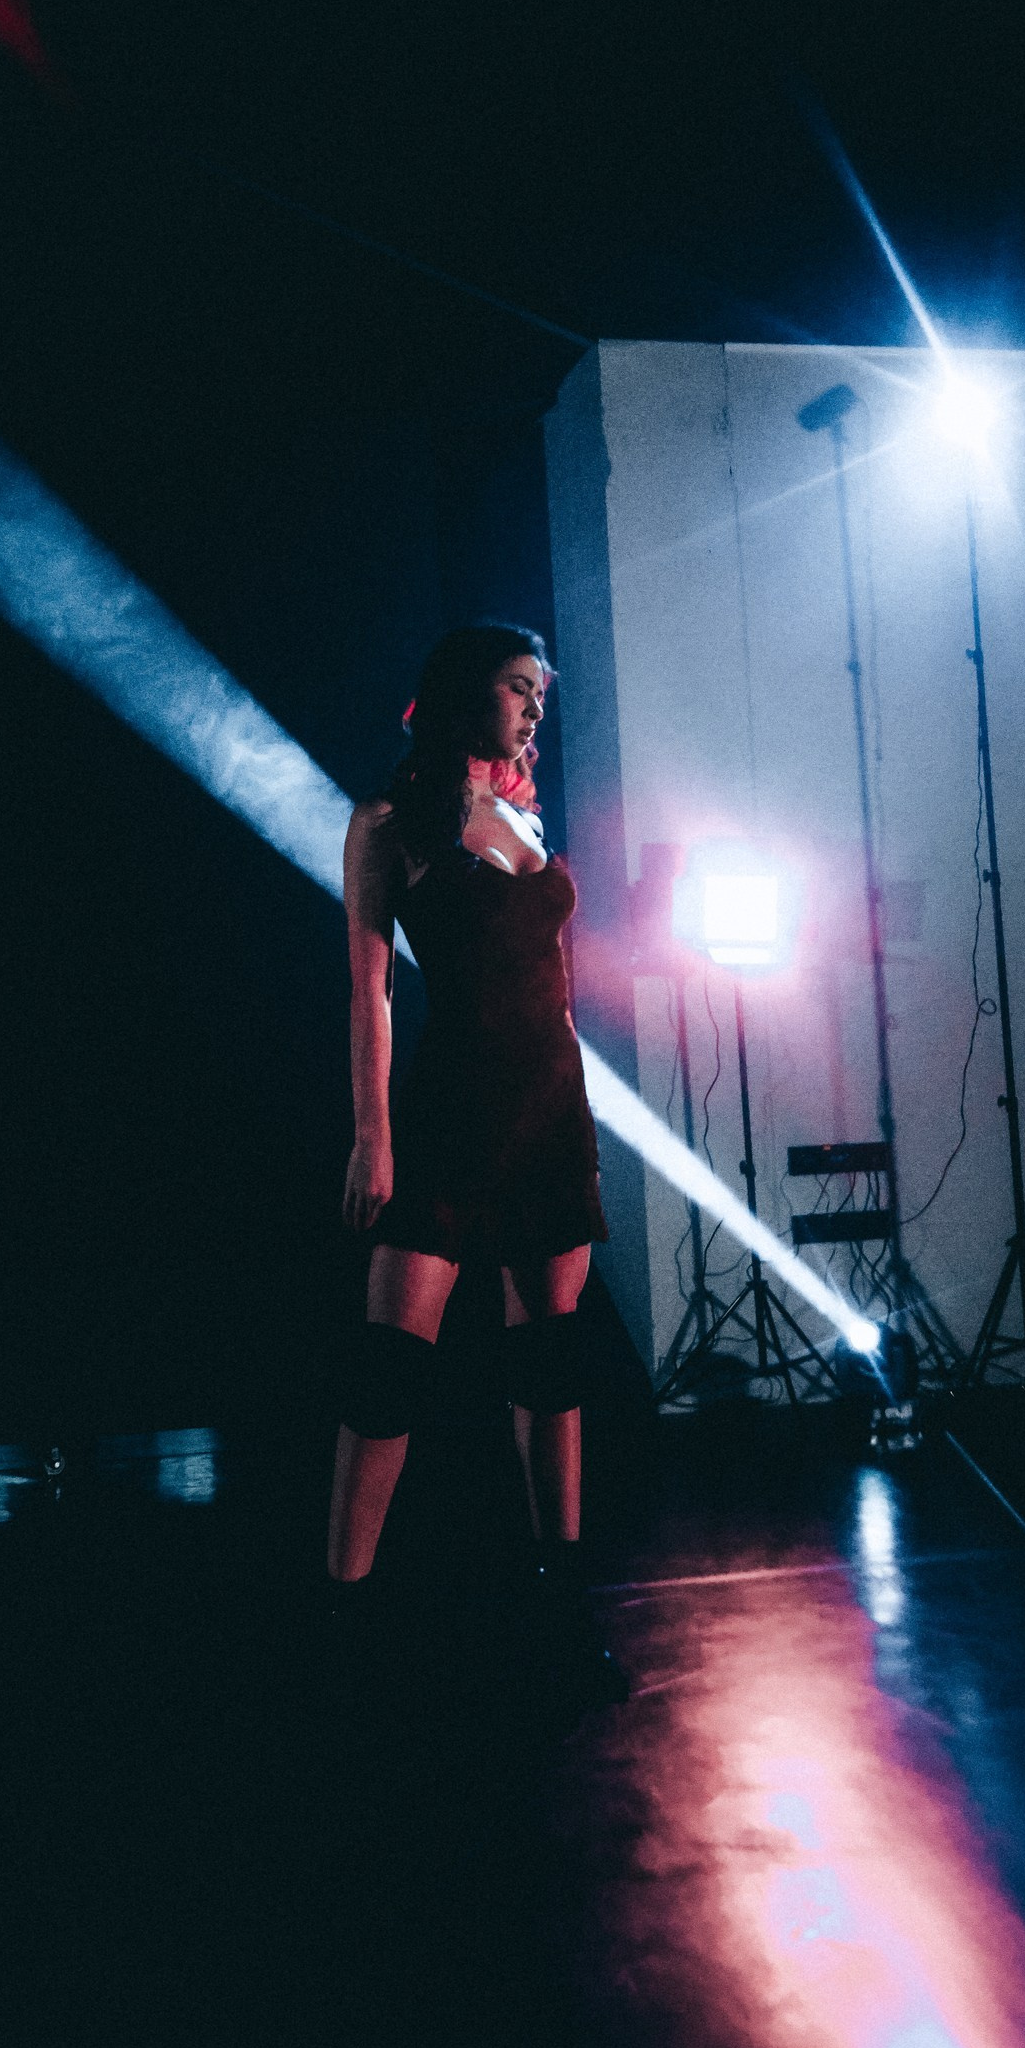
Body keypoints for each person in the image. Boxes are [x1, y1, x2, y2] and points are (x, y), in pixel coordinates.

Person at [327, 622, 625, 1708]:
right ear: (465, 692)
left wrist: (575, 1112)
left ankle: (563, 1606)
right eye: (516, 688)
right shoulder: (386, 823)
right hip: (448, 1113)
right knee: (387, 1373)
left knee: (549, 1364)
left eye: (541, 692)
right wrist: (372, 1137)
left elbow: (550, 980)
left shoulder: (522, 812)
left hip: (547, 1111)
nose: (535, 708)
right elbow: (370, 995)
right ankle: (343, 1624)